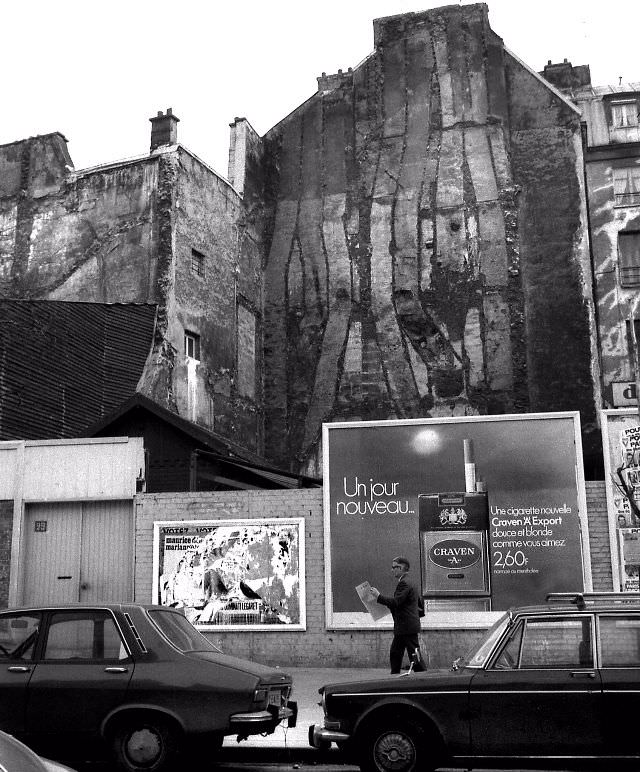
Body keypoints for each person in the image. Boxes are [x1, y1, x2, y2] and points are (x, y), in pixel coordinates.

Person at [371, 556, 426, 674]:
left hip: (406, 626)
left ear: (400, 568)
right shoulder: (409, 581)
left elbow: (396, 602)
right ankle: (396, 673)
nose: (392, 570)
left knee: (413, 653)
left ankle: (422, 675)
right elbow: (407, 603)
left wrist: (378, 596)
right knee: (397, 652)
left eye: (393, 567)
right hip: (405, 625)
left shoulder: (404, 583)